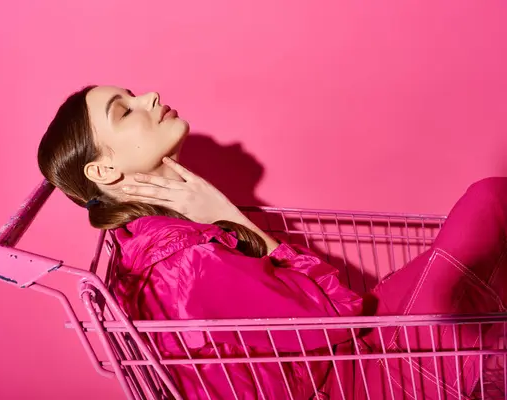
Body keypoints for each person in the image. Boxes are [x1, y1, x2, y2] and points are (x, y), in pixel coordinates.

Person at [37, 85, 506, 399]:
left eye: (133, 92)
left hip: (355, 359)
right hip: (363, 377)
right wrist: (228, 215)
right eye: (125, 110)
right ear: (104, 171)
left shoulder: (153, 238)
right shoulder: (184, 261)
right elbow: (338, 319)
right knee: (492, 202)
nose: (150, 95)